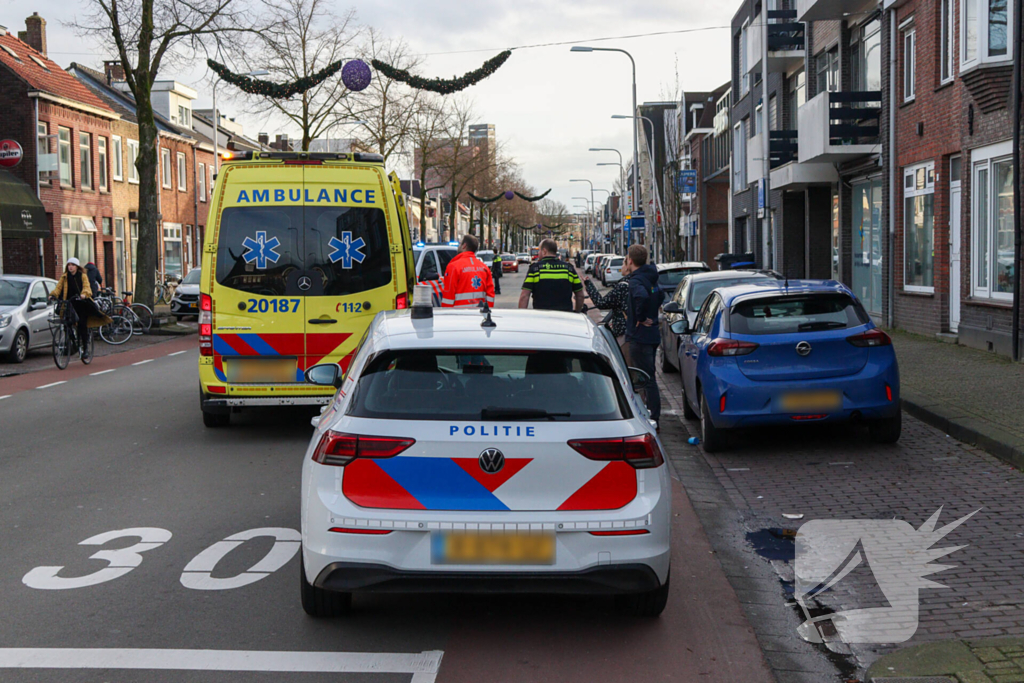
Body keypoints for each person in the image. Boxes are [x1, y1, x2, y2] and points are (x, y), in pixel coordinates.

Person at [624, 244, 664, 427]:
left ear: (630, 261)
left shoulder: (636, 281)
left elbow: (642, 296)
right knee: (650, 377)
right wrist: (652, 312)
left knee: (645, 378)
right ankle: (653, 414)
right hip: (653, 334)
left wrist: (640, 317)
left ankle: (652, 418)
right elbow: (660, 294)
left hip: (640, 335)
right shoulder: (651, 277)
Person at [49, 257, 113, 361]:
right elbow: (58, 288)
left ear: (77, 267)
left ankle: (85, 348)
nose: (70, 267)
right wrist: (53, 295)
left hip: (81, 303)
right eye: (69, 265)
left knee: (82, 325)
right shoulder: (64, 277)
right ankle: (72, 344)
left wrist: (84, 294)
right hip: (69, 304)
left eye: (73, 265)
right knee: (66, 323)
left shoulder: (82, 276)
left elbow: (87, 287)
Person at [583, 259, 632, 360]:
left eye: (623, 263)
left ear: (628, 266)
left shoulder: (623, 286)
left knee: (626, 366)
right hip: (645, 334)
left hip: (625, 334)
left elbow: (602, 303)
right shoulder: (646, 282)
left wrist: (588, 285)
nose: (621, 266)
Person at [519, 239, 584, 312]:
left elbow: (524, 296)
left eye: (539, 250)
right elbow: (580, 295)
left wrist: (522, 316)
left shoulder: (535, 269)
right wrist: (577, 312)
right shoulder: (569, 269)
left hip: (541, 317)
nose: (538, 253)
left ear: (544, 251)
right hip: (565, 317)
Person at [440, 234, 495, 308]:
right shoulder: (484, 268)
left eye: (460, 244)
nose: (459, 246)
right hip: (480, 314)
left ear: (464, 246)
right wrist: (487, 312)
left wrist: (446, 315)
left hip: (459, 315)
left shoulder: (453, 267)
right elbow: (490, 295)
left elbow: (448, 296)